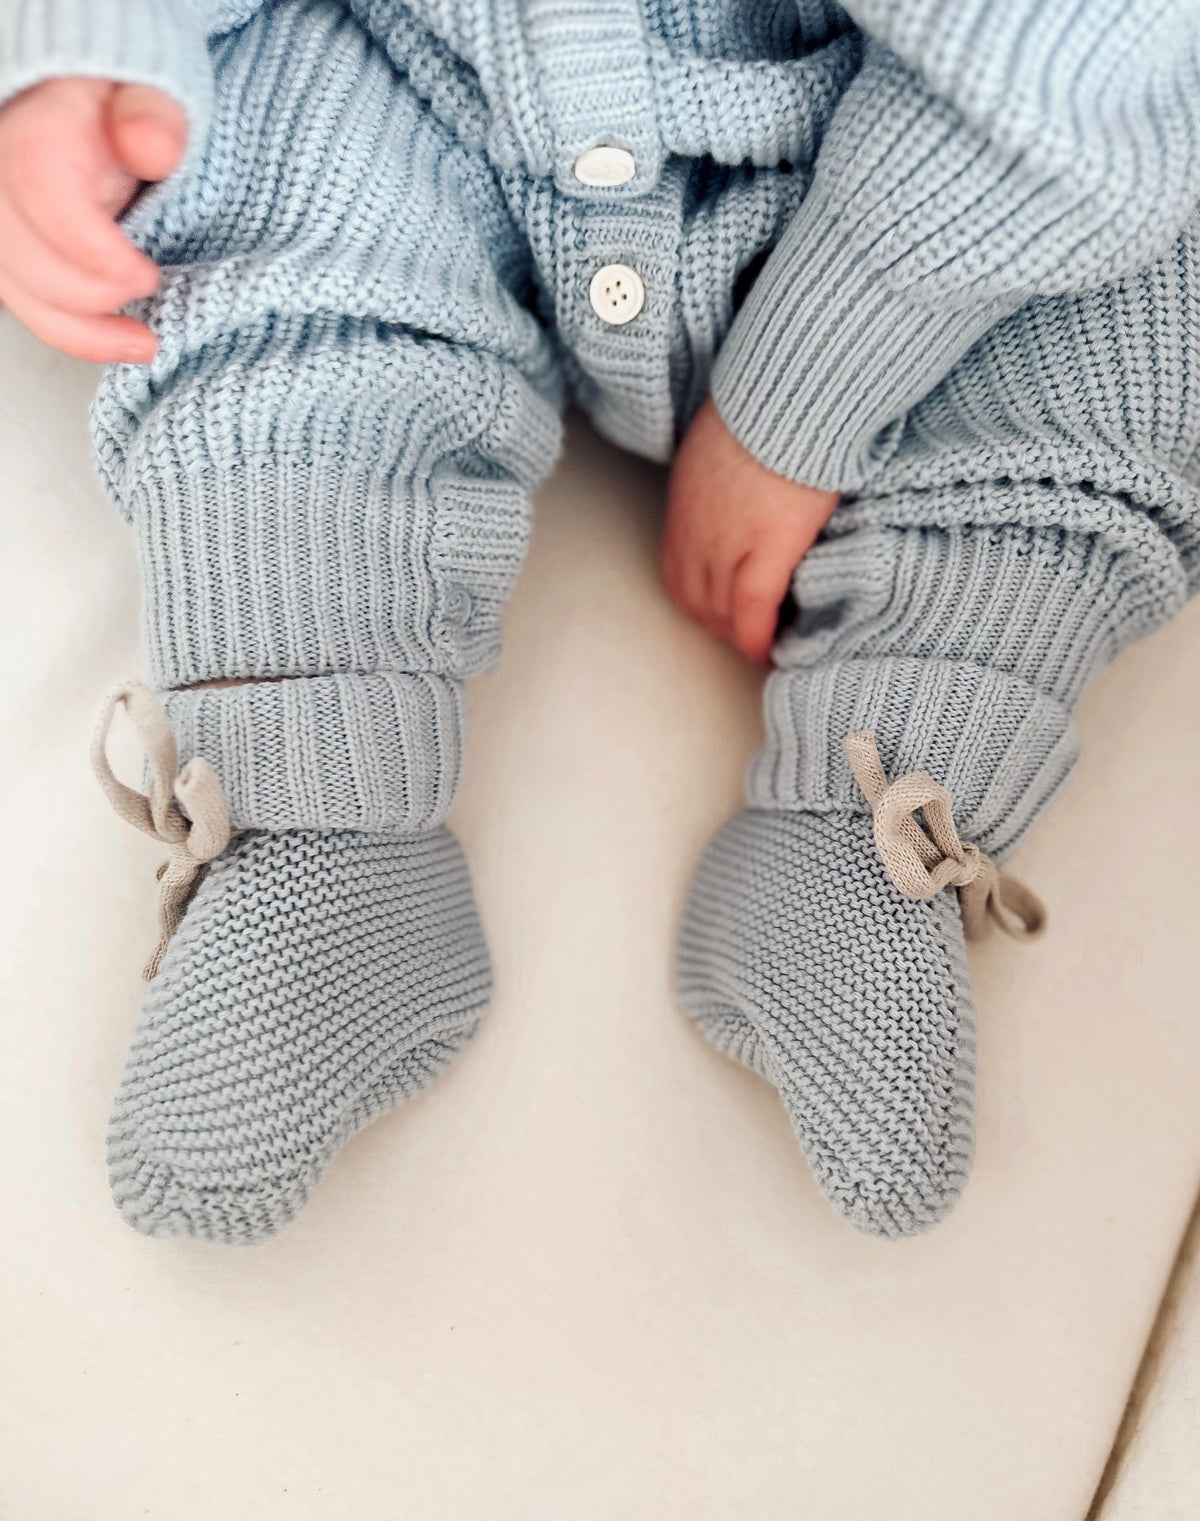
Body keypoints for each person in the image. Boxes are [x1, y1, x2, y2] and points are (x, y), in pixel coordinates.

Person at [0, 0, 1196, 1244]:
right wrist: (72, 53)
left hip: (924, 194)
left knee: (1137, 339)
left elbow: (1069, 75)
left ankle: (873, 831)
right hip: (424, 94)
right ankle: (314, 830)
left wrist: (799, 400)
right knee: (242, 254)